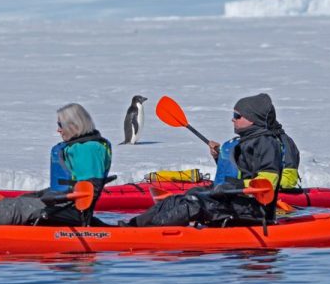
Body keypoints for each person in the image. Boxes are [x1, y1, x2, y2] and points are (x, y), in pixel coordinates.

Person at [126, 93, 300, 227]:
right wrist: (220, 159)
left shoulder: (266, 143)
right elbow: (238, 172)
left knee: (193, 203)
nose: (233, 118)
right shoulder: (244, 141)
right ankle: (131, 226)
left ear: (253, 119)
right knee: (180, 198)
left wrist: (234, 187)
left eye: (237, 115)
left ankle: (141, 234)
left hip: (252, 211)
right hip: (235, 202)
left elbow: (267, 183)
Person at [0, 103, 112, 226]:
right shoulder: (78, 146)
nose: (58, 130)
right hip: (60, 205)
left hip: (70, 211)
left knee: (14, 208)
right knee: (12, 203)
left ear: (74, 126)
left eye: (60, 125)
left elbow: (88, 191)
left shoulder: (89, 149)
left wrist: (55, 199)